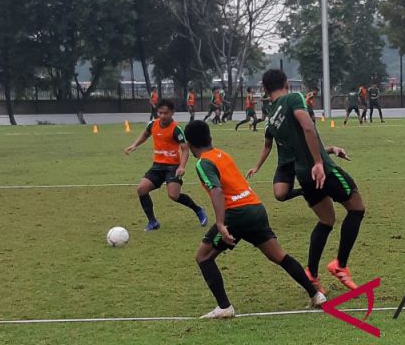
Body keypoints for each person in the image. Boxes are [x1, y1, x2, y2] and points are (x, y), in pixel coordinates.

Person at [184, 119, 326, 319]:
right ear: (210, 137)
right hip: (256, 208)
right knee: (279, 256)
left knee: (203, 257)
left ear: (189, 144)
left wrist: (220, 223)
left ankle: (224, 307)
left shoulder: (203, 163)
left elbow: (216, 191)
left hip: (236, 214)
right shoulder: (222, 154)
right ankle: (316, 294)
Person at [257, 69, 366, 292]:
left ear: (266, 90)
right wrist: (319, 161)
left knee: (326, 221)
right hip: (321, 169)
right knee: (357, 208)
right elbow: (308, 127)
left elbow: (295, 144)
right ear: (286, 83)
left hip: (303, 174)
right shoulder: (293, 98)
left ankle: (312, 274)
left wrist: (330, 150)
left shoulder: (272, 116)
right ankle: (340, 265)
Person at [124, 98, 209, 232]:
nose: (163, 116)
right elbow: (145, 134)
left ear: (172, 113)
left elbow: (185, 149)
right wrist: (134, 145)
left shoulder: (176, 129)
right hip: (157, 166)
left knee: (174, 195)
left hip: (173, 167)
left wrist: (182, 167)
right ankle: (152, 222)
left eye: (166, 113)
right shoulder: (153, 125)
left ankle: (198, 210)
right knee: (141, 189)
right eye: (160, 113)